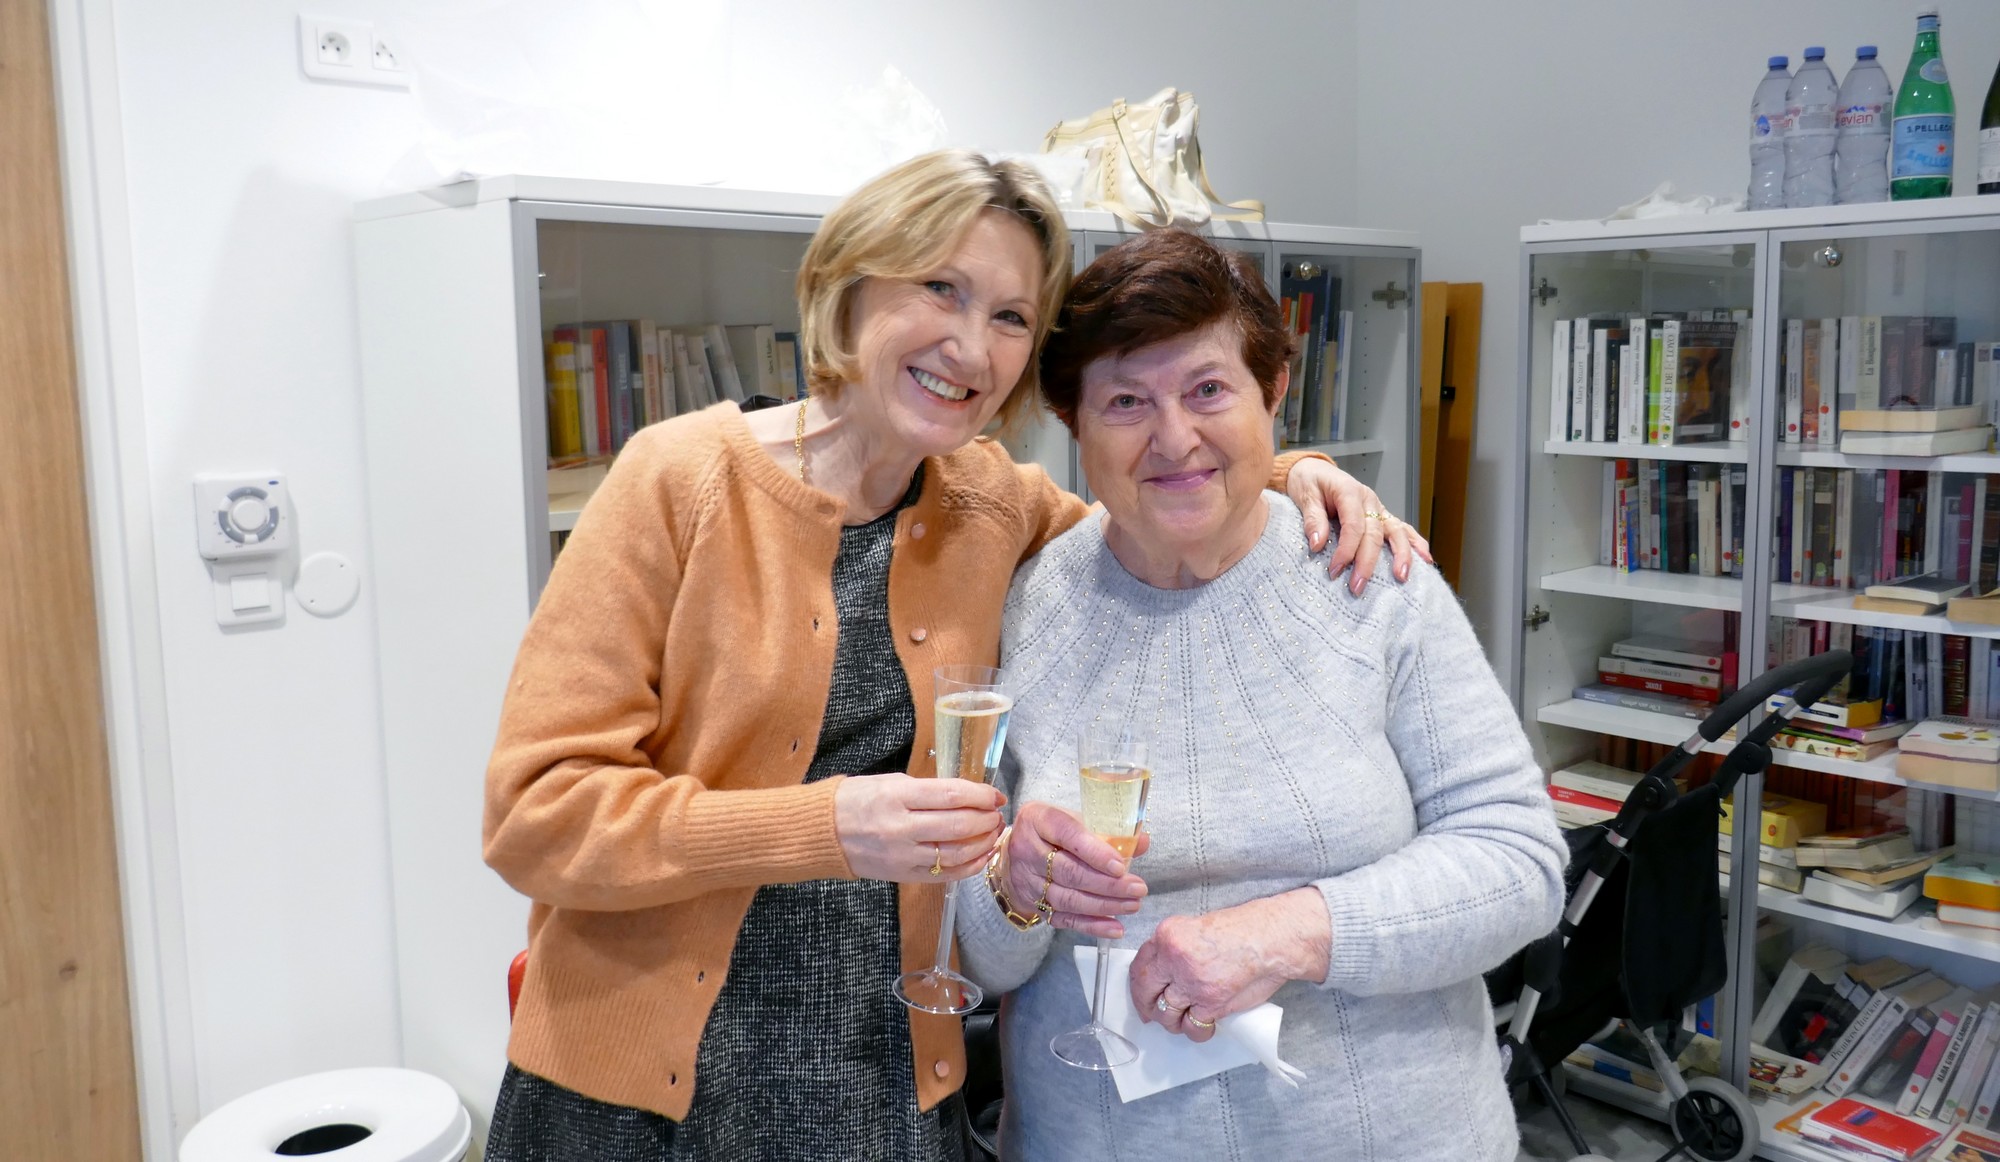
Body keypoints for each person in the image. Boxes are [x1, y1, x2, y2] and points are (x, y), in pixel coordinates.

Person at [479, 151, 1427, 1161]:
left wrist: (1293, 469)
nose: (971, 346)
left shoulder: (990, 500)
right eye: (940, 287)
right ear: (848, 285)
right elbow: (534, 818)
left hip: (884, 1076)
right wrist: (827, 825)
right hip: (637, 1099)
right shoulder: (676, 480)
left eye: (1010, 316)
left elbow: (1149, 512)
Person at [957, 228, 1566, 1162]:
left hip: (1389, 1139)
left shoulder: (1372, 579)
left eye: (1208, 389)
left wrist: (1286, 935)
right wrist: (1012, 888)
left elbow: (1520, 862)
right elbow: (967, 953)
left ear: (1274, 392)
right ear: (1074, 424)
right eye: (1126, 401)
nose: (1174, 438)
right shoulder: (1020, 609)